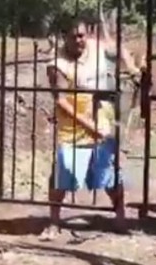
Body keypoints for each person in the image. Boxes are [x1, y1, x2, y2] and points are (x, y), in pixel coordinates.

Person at [40, 14, 140, 241]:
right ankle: (54, 221)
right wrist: (89, 125)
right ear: (64, 37)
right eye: (74, 36)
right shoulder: (57, 65)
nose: (79, 41)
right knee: (63, 173)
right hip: (74, 124)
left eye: (82, 35)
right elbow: (62, 101)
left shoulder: (96, 48)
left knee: (109, 172)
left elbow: (119, 49)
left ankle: (120, 216)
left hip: (102, 117)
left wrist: (132, 69)